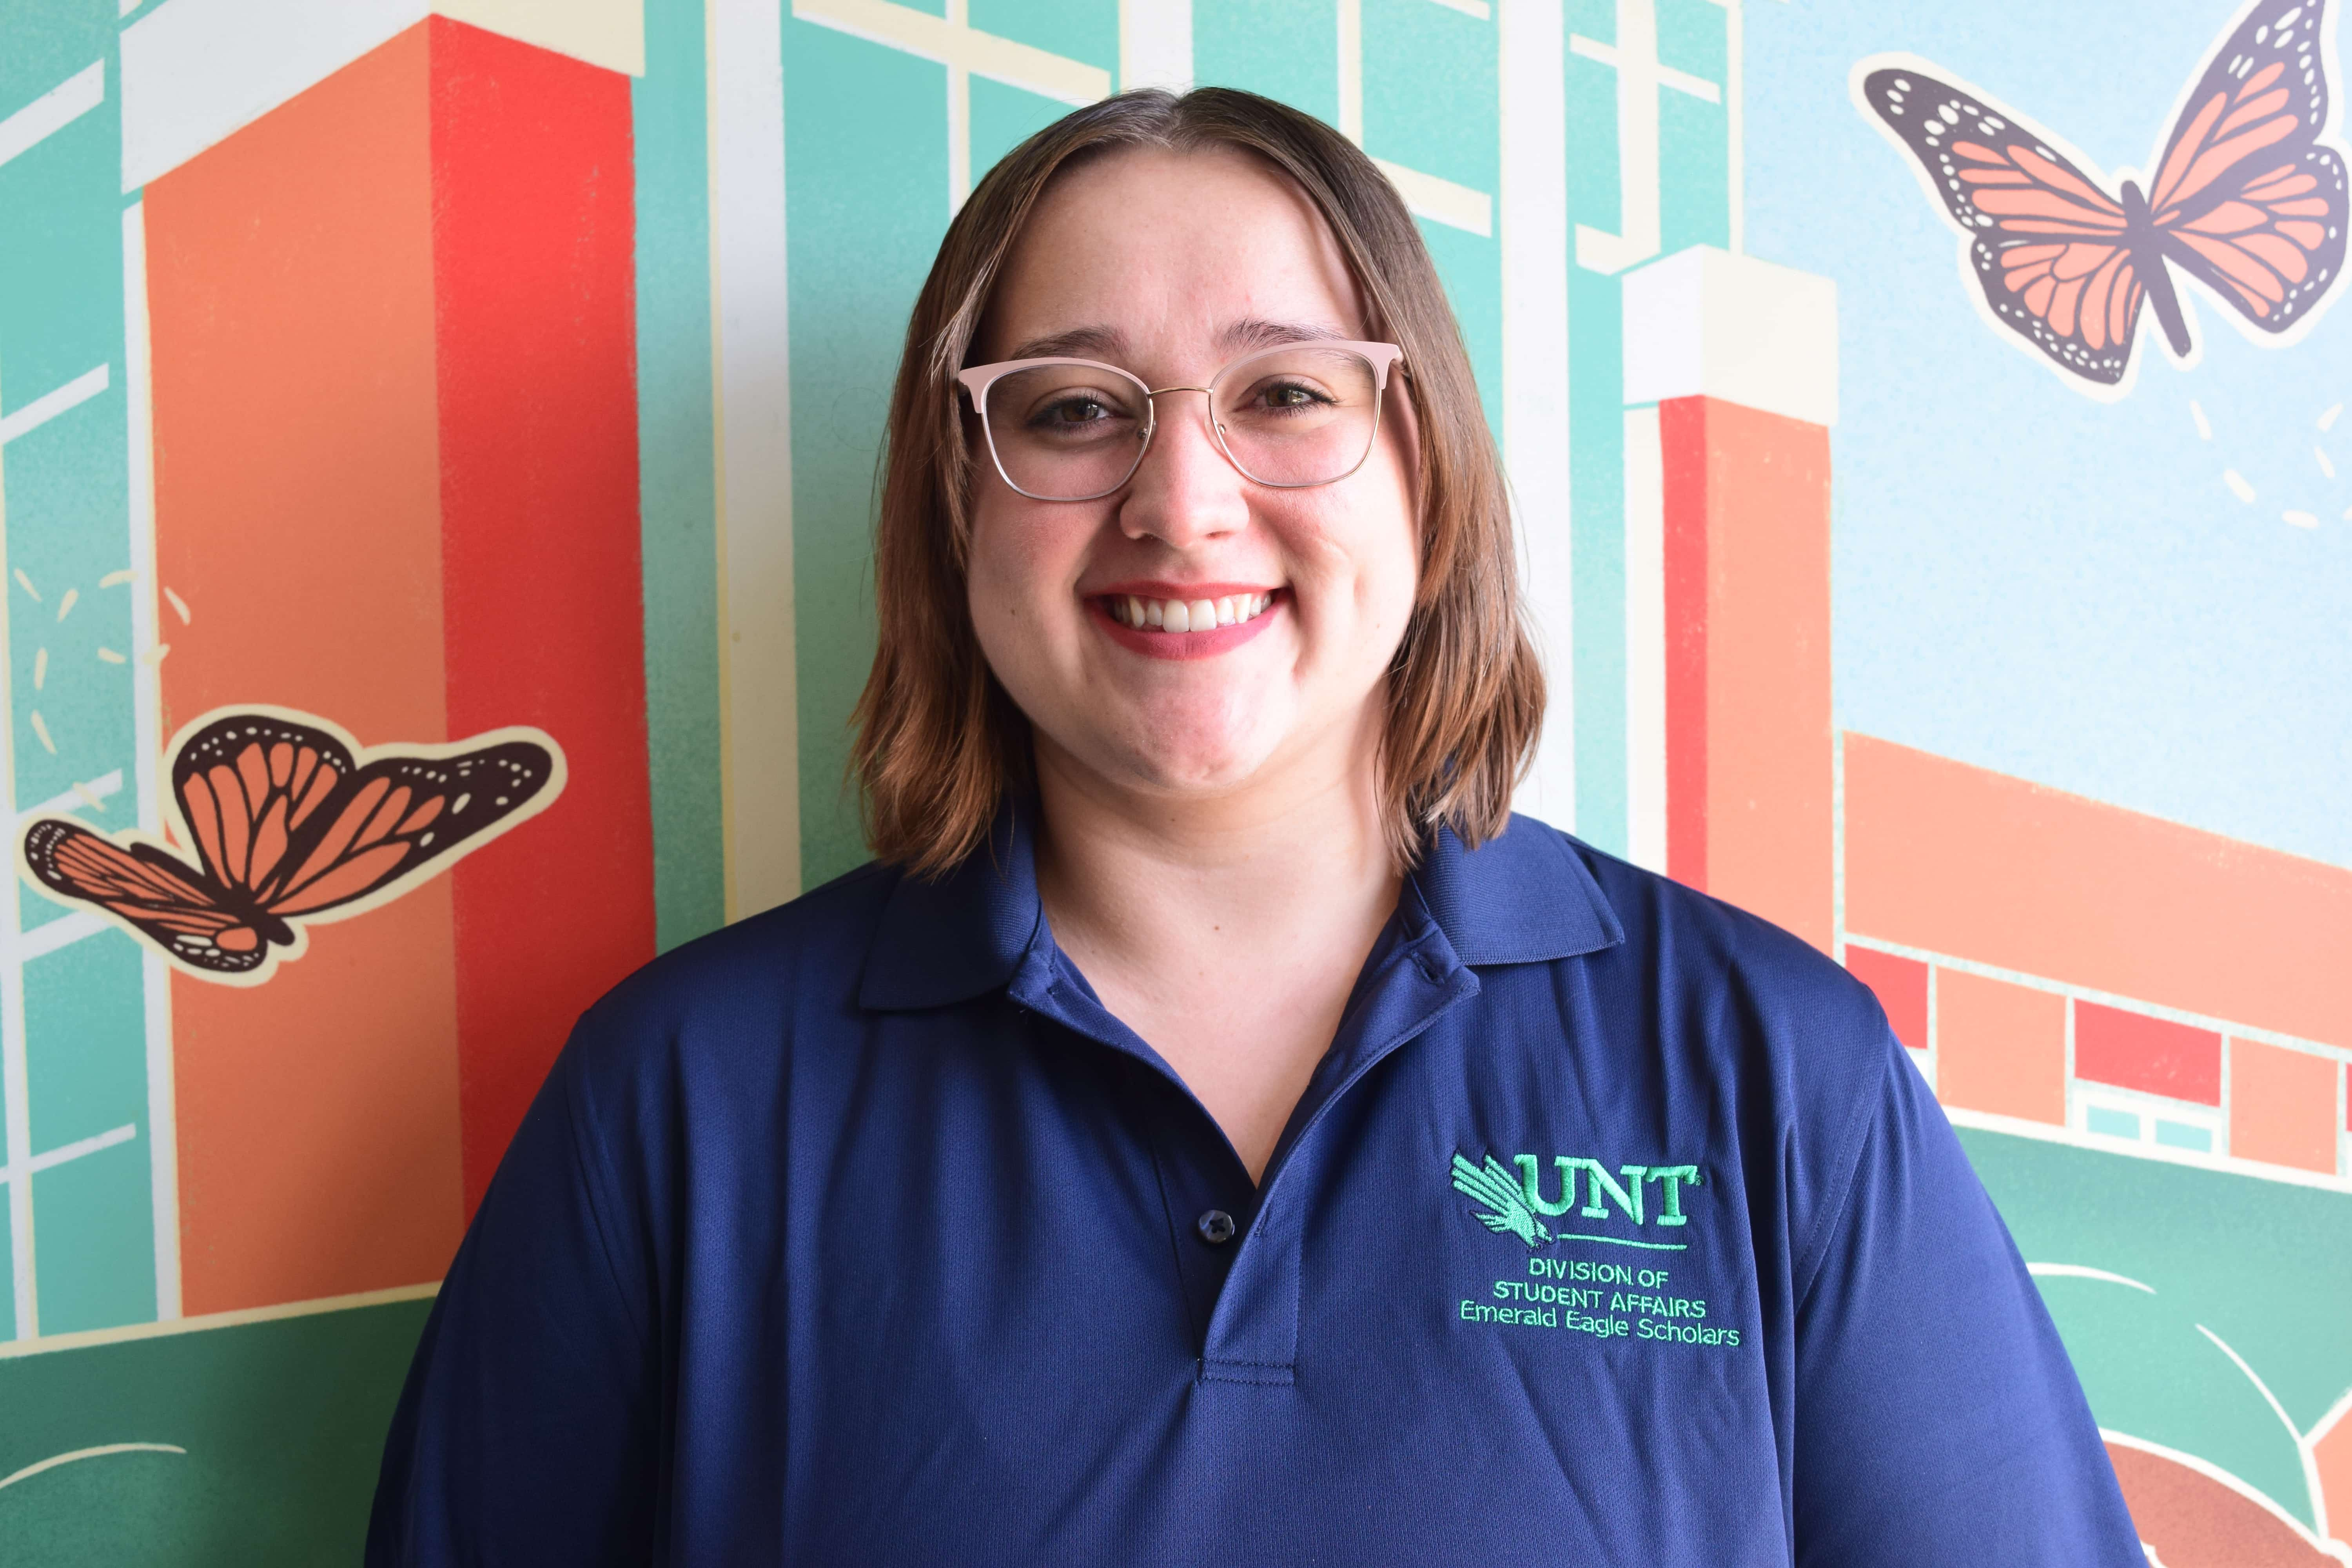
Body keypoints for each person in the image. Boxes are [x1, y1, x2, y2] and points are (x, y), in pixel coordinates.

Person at [368, 88, 2145, 1564]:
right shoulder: (682, 1099)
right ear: (954, 513)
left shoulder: (1769, 1069)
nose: (1183, 500)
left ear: (1426, 477)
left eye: (1287, 393)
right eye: (1073, 410)